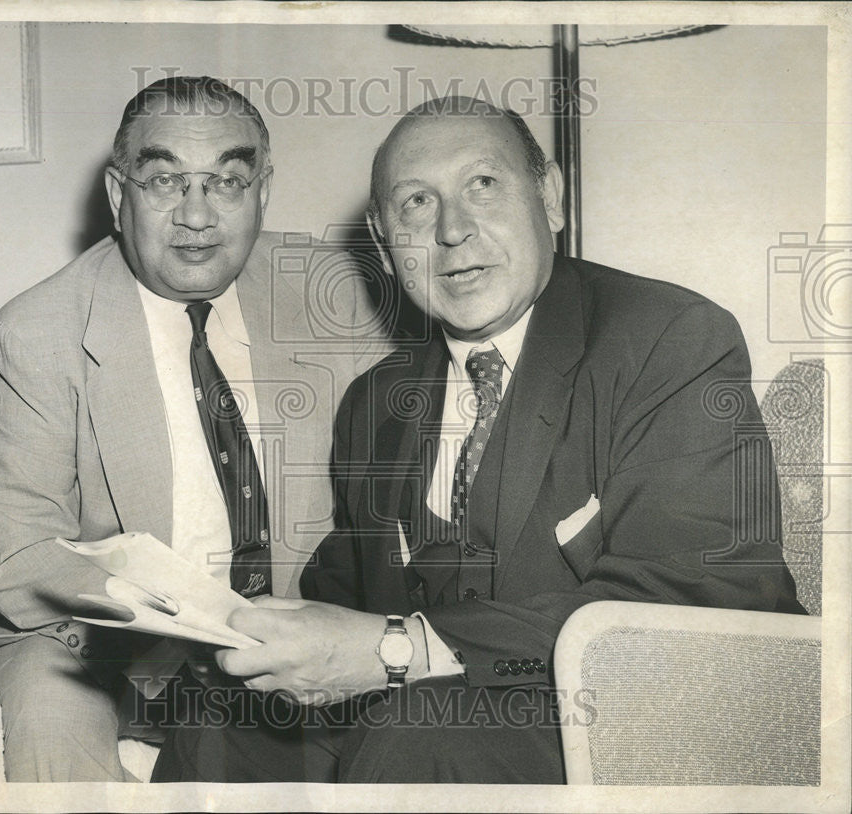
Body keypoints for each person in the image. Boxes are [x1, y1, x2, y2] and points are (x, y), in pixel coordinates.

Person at [153, 96, 804, 784]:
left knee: (414, 732)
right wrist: (250, 636)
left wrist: (395, 649)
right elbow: (346, 592)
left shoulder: (667, 339)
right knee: (214, 723)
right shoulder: (375, 403)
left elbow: (694, 595)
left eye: (483, 186)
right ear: (383, 240)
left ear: (549, 197)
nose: (453, 231)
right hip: (426, 725)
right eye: (415, 204)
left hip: (632, 725)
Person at [0, 76, 383, 782]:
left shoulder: (338, 293)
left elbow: (397, 486)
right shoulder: (36, 334)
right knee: (51, 721)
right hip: (93, 636)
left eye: (228, 181)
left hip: (301, 621)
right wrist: (198, 623)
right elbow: (17, 557)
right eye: (165, 181)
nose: (198, 215)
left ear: (262, 191)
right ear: (120, 197)